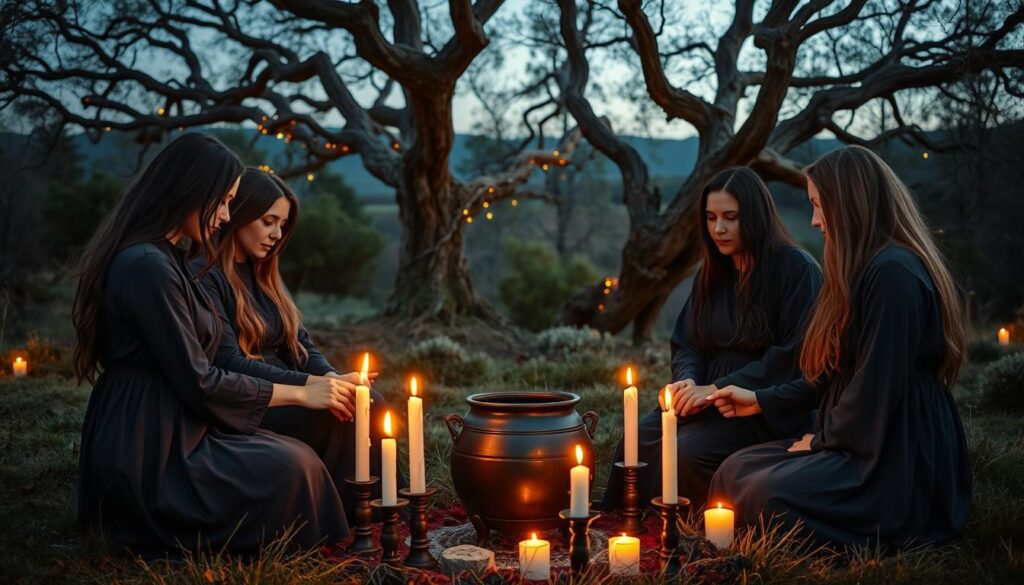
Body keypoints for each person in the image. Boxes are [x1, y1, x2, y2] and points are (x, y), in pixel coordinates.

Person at [74, 134, 352, 556]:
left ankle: (359, 524)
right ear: (190, 190)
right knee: (293, 465)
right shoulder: (147, 267)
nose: (224, 216)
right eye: (222, 201)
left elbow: (220, 369)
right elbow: (200, 378)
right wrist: (301, 390)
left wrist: (321, 380)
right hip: (149, 441)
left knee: (302, 450)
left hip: (182, 419)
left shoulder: (167, 260)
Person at [707, 145, 972, 547]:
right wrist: (761, 400)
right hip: (855, 435)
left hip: (892, 453)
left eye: (819, 205)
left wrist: (820, 441)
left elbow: (876, 390)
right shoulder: (862, 269)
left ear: (850, 203)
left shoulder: (893, 276)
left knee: (764, 494)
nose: (814, 220)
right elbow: (834, 373)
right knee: (733, 471)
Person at [603, 167, 821, 511]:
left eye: (730, 217)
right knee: (641, 437)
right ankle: (627, 522)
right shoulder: (713, 271)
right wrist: (687, 379)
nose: (718, 228)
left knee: (685, 450)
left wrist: (716, 388)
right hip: (705, 394)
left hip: (759, 403)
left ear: (755, 216)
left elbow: (792, 356)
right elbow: (689, 342)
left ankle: (683, 532)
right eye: (711, 217)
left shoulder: (796, 270)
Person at [194, 167, 400, 518]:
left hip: (294, 386)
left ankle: (386, 509)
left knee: (368, 401)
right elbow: (229, 362)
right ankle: (345, 514)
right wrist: (314, 387)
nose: (277, 234)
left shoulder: (265, 274)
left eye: (283, 225)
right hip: (250, 397)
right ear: (239, 214)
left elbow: (300, 347)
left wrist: (332, 378)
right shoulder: (206, 275)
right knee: (334, 416)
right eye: (268, 221)